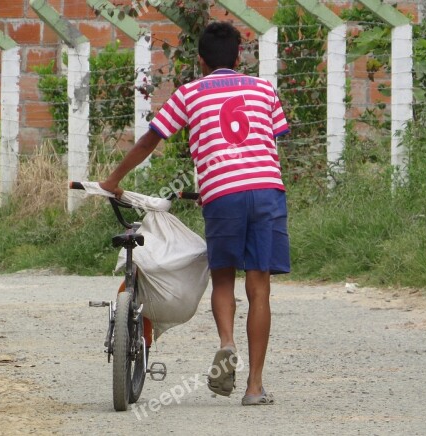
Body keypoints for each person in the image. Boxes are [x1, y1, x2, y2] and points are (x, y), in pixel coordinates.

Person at [99, 21, 290, 406]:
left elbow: (151, 139)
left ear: (200, 60)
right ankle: (254, 388)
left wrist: (113, 179)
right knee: (260, 288)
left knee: (223, 280)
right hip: (267, 190)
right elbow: (272, 138)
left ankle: (226, 343)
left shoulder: (189, 94)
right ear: (239, 56)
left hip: (221, 194)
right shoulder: (264, 89)